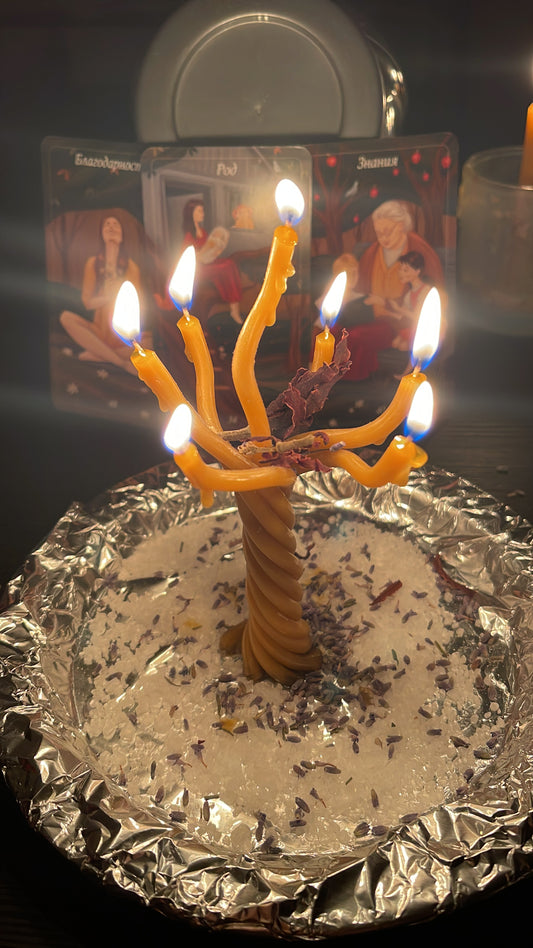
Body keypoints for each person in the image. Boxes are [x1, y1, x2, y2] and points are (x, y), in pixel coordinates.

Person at [59, 215, 141, 375]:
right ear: (101, 234)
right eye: (107, 224)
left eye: (116, 224)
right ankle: (121, 362)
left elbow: (139, 306)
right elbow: (87, 302)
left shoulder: (132, 267)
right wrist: (108, 297)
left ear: (122, 235)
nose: (111, 227)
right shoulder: (93, 263)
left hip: (124, 335)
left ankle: (100, 354)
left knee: (151, 341)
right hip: (99, 331)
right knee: (66, 318)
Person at [181, 198, 243, 325]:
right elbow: (187, 255)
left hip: (207, 262)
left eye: (202, 211)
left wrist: (216, 249)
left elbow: (209, 247)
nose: (202, 214)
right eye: (199, 211)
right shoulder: (189, 235)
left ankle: (234, 306)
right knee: (226, 267)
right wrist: (201, 254)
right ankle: (233, 308)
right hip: (198, 268)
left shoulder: (202, 231)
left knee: (230, 263)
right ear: (191, 213)